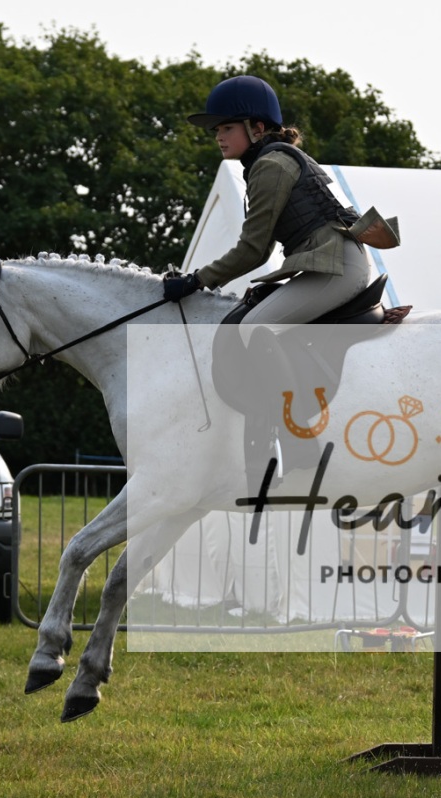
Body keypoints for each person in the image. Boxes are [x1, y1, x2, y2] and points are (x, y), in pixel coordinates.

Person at [159, 75, 385, 488]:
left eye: (227, 127)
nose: (218, 136)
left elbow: (253, 250)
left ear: (257, 128)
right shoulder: (274, 160)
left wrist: (195, 280)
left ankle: (300, 443)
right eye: (216, 129)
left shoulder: (270, 165)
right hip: (328, 263)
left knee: (254, 327)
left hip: (335, 267)